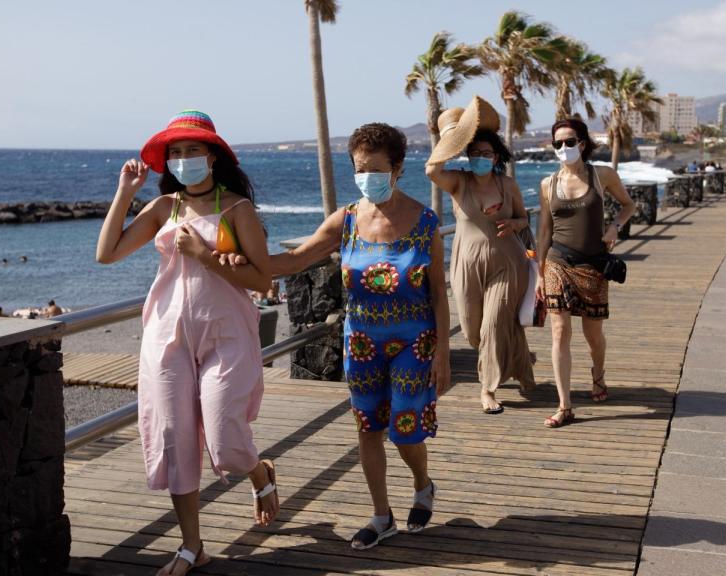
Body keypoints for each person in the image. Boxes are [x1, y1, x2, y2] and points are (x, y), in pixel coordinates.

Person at [218, 123, 451, 550]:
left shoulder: (425, 221)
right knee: (368, 428)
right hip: (362, 341)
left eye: (376, 170)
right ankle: (382, 516)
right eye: (360, 169)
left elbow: (438, 291)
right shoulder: (345, 220)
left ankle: (422, 483)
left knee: (406, 431)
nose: (367, 178)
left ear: (398, 168)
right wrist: (235, 259)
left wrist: (443, 355)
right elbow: (291, 261)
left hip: (414, 342)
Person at [95, 110, 277, 575]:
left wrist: (207, 255)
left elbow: (264, 281)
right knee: (175, 436)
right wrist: (124, 194)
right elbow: (107, 254)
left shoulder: (238, 209)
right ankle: (192, 546)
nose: (182, 159)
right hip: (166, 333)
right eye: (174, 153)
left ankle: (259, 471)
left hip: (227, 331)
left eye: (192, 150)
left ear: (212, 156)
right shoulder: (164, 208)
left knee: (226, 437)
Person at [424, 96, 535, 414]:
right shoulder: (458, 181)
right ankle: (522, 366)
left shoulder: (507, 185)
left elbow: (525, 219)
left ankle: (487, 389)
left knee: (494, 325)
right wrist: (452, 137)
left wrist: (514, 223)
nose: (480, 158)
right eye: (474, 153)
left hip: (507, 262)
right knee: (474, 331)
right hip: (466, 264)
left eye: (486, 154)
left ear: (497, 156)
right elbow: (432, 169)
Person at [536, 117, 636, 428]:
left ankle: (598, 374)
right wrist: (539, 273)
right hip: (558, 262)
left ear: (582, 143)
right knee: (559, 331)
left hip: (593, 263)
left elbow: (628, 205)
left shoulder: (602, 174)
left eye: (569, 142)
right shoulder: (547, 185)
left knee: (593, 335)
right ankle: (565, 405)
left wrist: (614, 226)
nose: (563, 148)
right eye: (558, 144)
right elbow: (543, 232)